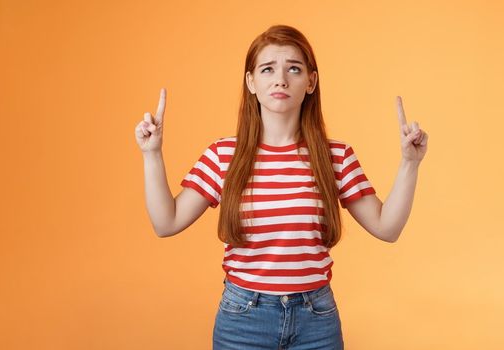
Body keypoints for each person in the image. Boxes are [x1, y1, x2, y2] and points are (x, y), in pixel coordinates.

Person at [133, 25, 428, 349]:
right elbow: (166, 223)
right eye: (268, 68)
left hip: (316, 319)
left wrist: (409, 163)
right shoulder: (222, 155)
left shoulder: (336, 157)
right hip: (242, 319)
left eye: (294, 68)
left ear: (311, 81)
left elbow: (387, 228)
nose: (281, 79)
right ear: (251, 82)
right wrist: (152, 154)